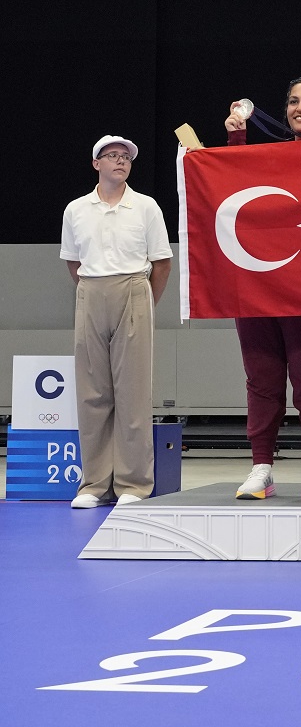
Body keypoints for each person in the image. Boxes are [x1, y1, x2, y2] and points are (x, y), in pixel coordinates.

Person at [226, 77, 301, 501]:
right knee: (261, 379)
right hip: (258, 284)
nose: (300, 108)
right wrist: (236, 134)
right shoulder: (268, 154)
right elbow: (231, 183)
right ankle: (261, 467)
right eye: (293, 101)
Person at [61, 135, 172, 508]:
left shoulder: (145, 207)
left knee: (133, 392)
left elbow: (161, 261)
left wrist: (144, 302)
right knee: (92, 392)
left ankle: (133, 484)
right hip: (91, 291)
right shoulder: (76, 209)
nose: (120, 161)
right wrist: (96, 290)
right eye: (112, 156)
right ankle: (93, 484)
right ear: (97, 164)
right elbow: (73, 263)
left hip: (133, 289)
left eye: (126, 157)